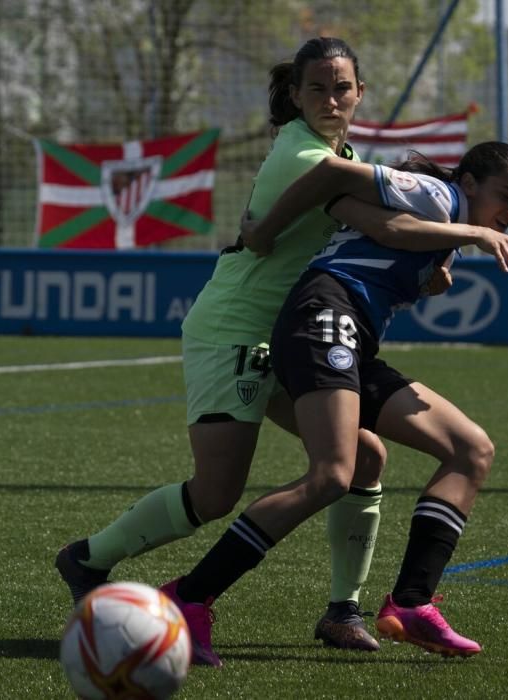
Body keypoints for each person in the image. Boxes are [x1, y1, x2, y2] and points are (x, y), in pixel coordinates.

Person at [55, 37, 460, 666]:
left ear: (360, 94)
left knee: (363, 459)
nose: (332, 98)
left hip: (286, 333)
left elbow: (377, 226)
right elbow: (380, 223)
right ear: (295, 95)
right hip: (234, 330)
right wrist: (470, 232)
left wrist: (430, 260)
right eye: (318, 88)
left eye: (343, 87)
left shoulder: (342, 153)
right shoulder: (304, 152)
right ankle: (89, 557)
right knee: (217, 494)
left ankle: (342, 609)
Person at [155, 141, 508, 658]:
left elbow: (378, 237)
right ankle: (187, 598)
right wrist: (262, 232)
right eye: (507, 194)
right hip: (321, 318)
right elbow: (336, 173)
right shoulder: (437, 195)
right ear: (469, 182)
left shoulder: (448, 229)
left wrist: (433, 271)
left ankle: (410, 603)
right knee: (333, 474)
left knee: (471, 450)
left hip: (351, 339)